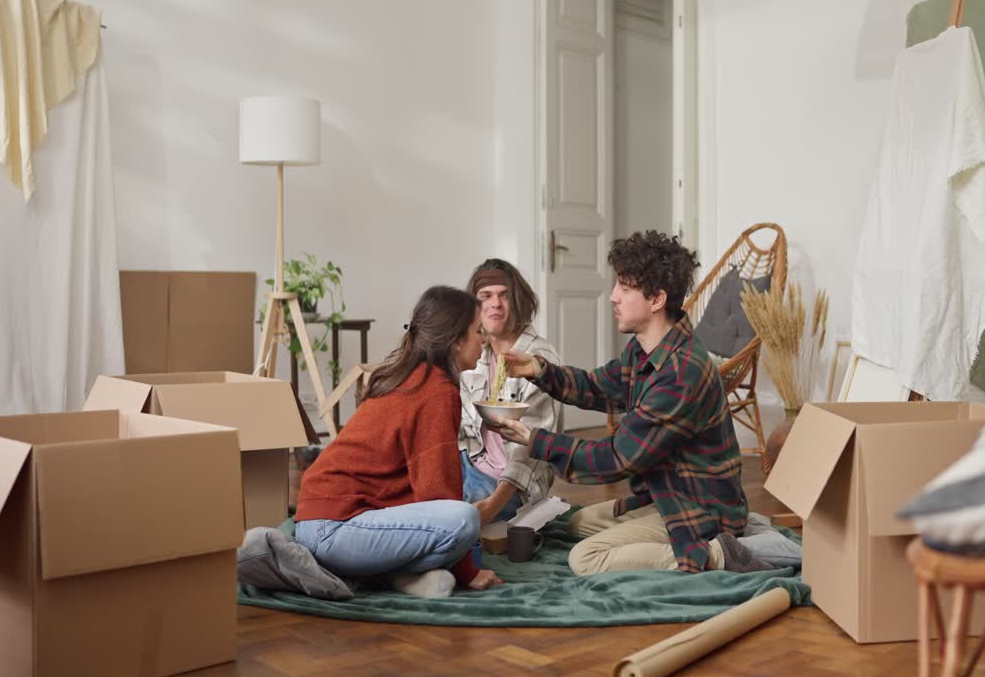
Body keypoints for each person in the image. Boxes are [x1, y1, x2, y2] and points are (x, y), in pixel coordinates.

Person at [487, 231, 771, 576]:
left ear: (656, 299)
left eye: (624, 287)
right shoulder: (646, 349)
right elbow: (597, 387)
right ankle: (714, 534)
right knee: (578, 524)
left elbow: (617, 458)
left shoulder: (681, 373)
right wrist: (538, 369)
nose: (612, 296)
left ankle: (719, 553)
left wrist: (535, 441)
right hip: (666, 495)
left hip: (700, 510)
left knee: (585, 558)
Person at [293, 286, 502, 598]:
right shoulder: (436, 390)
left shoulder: (412, 375)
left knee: (459, 519)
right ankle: (365, 572)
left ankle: (392, 576)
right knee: (464, 519)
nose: (482, 340)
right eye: (477, 331)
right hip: (335, 529)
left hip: (316, 522)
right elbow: (438, 494)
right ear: (456, 341)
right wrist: (468, 572)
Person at [459, 259, 561, 524]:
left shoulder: (539, 359)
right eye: (486, 296)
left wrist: (492, 507)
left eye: (504, 295)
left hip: (509, 487)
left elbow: (532, 449)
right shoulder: (475, 352)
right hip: (469, 464)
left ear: (518, 301)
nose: (495, 304)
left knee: (454, 513)